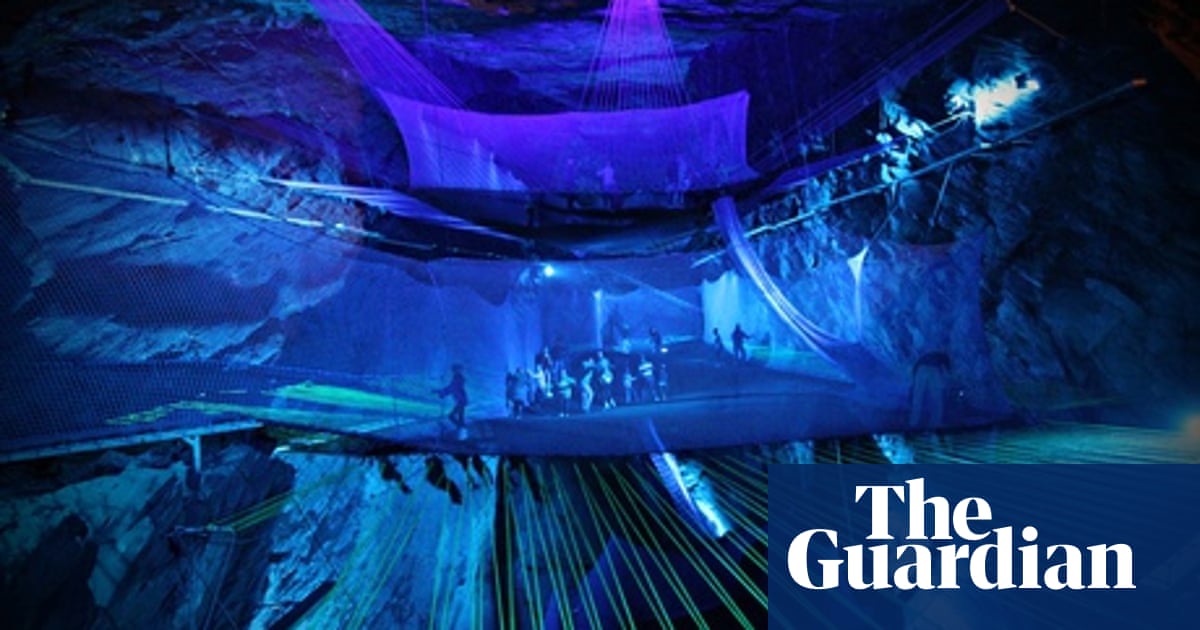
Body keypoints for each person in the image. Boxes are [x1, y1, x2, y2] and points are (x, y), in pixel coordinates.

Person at [909, 351, 950, 431]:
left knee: (918, 399)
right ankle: (935, 423)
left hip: (922, 368)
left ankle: (914, 423)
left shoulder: (934, 355)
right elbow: (947, 373)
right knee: (937, 400)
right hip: (930, 368)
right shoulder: (944, 356)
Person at [434, 364, 469, 439]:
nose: (455, 371)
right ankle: (462, 433)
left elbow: (452, 388)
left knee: (453, 416)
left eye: (456, 369)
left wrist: (442, 393)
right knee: (459, 418)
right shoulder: (457, 378)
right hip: (460, 401)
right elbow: (451, 388)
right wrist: (441, 392)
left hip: (461, 401)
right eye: (455, 370)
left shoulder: (458, 378)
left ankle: (462, 433)